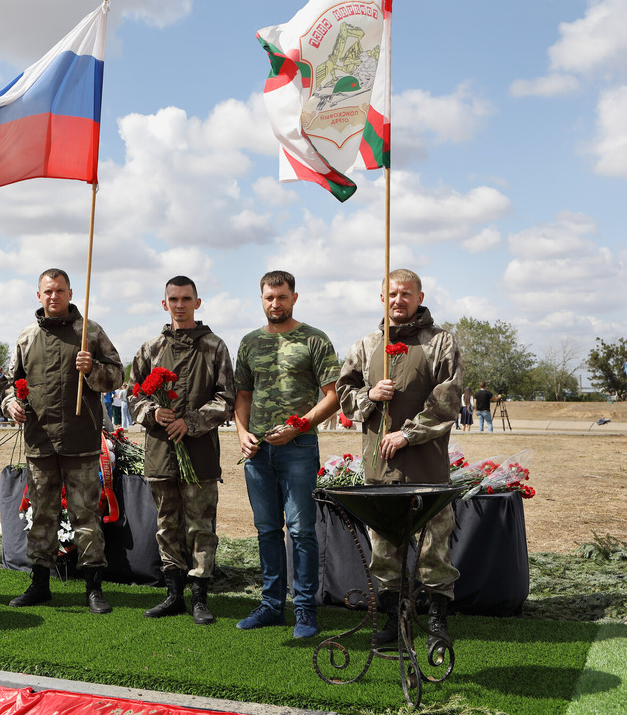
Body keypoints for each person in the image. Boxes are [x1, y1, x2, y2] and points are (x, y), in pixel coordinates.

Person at [335, 269, 462, 652]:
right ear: (382, 298)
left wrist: (407, 434)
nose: (398, 300)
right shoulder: (367, 344)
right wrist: (370, 395)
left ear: (420, 297)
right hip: (380, 474)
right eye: (391, 294)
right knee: (385, 553)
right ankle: (393, 619)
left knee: (433, 552)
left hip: (428, 471)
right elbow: (344, 393)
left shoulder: (440, 343)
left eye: (406, 294)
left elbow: (448, 400)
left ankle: (436, 621)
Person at [2, 268, 124, 613]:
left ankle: (94, 588)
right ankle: (40, 583)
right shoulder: (27, 336)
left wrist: (94, 370)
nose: (53, 297)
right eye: (47, 291)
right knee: (42, 513)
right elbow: (10, 381)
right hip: (40, 441)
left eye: (59, 291)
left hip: (81, 441)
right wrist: (11, 402)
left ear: (70, 293)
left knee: (87, 515)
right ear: (38, 295)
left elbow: (117, 375)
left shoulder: (90, 332)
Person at [233, 271, 340, 639]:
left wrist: (301, 426)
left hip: (299, 448)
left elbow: (332, 394)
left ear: (294, 297)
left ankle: (305, 611)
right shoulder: (248, 343)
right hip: (259, 452)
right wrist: (243, 433)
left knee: (300, 531)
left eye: (281, 297)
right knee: (266, 530)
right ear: (260, 298)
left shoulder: (314, 339)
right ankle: (271, 606)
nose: (274, 303)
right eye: (268, 297)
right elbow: (242, 396)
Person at [129, 276, 234, 625]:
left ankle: (200, 597)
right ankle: (173, 595)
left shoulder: (215, 347)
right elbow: (133, 396)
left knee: (201, 527)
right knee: (167, 525)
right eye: (173, 299)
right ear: (164, 304)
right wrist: (152, 413)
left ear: (197, 303)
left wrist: (191, 422)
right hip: (160, 452)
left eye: (186, 298)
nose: (180, 305)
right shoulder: (150, 349)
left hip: (200, 453)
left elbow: (226, 400)